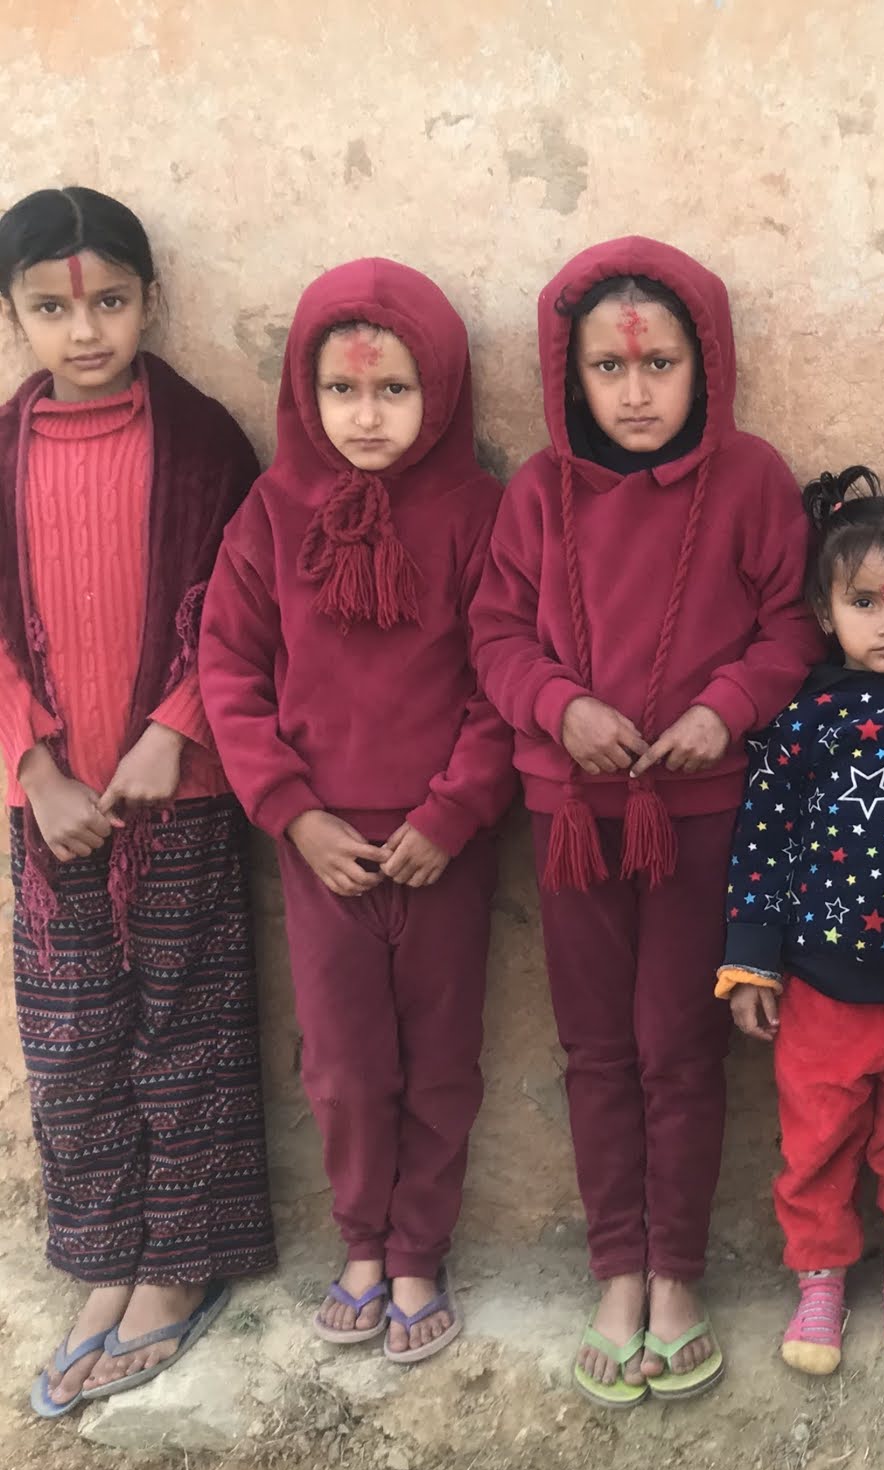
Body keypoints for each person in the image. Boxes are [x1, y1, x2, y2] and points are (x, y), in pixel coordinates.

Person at [470, 236, 821, 1407]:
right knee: (595, 1049)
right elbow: (495, 634)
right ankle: (614, 1269)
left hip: (700, 813)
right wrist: (557, 708)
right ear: (568, 375)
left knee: (679, 1046)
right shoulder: (536, 493)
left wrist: (726, 711)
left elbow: (790, 625)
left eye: (659, 365)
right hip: (573, 813)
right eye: (608, 369)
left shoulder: (752, 481)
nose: (633, 393)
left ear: (704, 364)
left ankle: (676, 1275)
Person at [201, 258, 515, 1363]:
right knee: (342, 1065)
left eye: (393, 390)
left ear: (442, 391)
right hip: (320, 845)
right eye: (341, 390)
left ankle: (420, 1250)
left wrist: (452, 813)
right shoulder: (271, 514)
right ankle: (363, 1247)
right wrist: (293, 814)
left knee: (441, 1058)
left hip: (442, 845)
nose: (366, 416)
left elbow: (500, 674)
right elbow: (228, 671)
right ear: (306, 392)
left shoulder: (477, 514)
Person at [1, 187, 273, 1416]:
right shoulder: (1, 453)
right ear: (13, 317)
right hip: (51, 805)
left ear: (150, 301)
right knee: (71, 1044)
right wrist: (33, 768)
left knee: (185, 1029)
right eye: (52, 309)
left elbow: (239, 607)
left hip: (182, 792)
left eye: (110, 301)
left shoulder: (206, 444)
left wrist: (177, 729)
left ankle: (179, 1267)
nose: (85, 330)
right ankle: (105, 1258)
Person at [715, 465, 884, 1374]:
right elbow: (762, 839)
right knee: (815, 1145)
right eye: (865, 602)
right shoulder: (801, 718)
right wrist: (752, 960)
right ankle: (819, 1282)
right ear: (825, 611)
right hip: (819, 989)